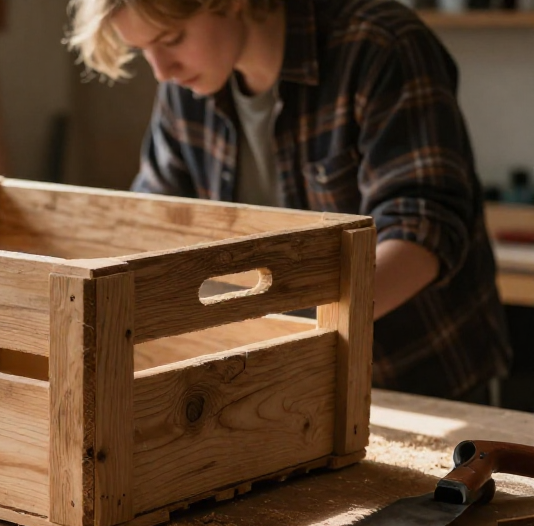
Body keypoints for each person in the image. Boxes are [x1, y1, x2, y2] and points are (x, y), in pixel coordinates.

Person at [66, 0, 511, 401]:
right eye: (144, 49)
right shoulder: (186, 87)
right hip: (276, 380)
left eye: (172, 39)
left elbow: (422, 230)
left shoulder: (380, 45)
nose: (162, 70)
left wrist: (284, 320)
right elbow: (153, 223)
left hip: (416, 377)